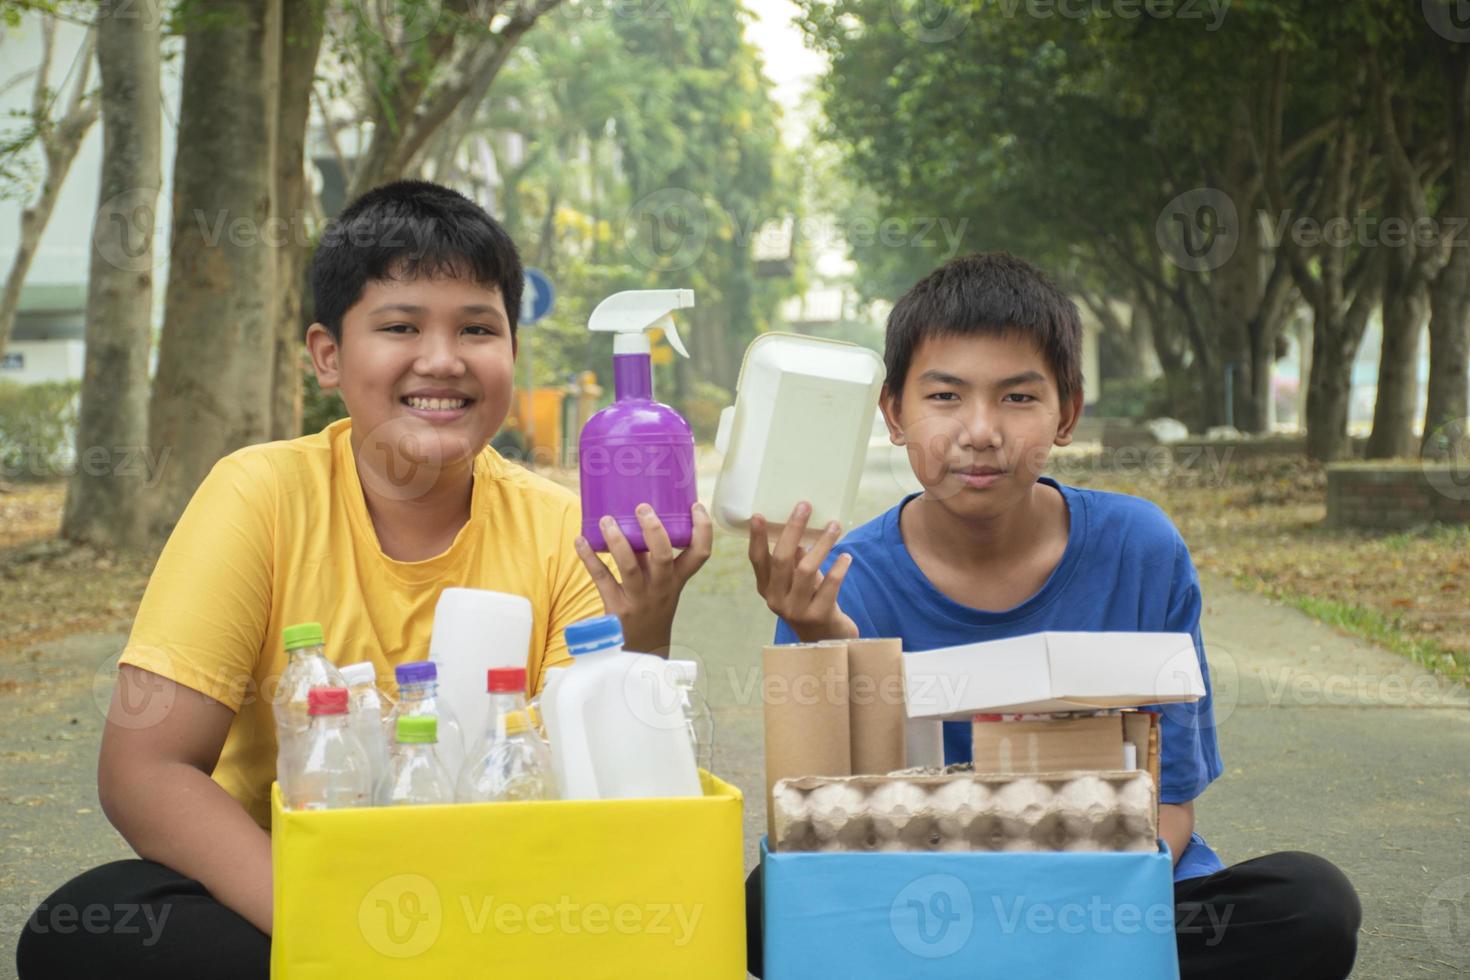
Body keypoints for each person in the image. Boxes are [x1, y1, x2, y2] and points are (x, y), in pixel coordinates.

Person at [15, 180, 711, 979]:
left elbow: (596, 802)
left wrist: (644, 633)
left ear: (512, 353)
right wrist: (347, 940)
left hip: (508, 899)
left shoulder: (568, 530)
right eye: (401, 326)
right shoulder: (260, 495)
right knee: (86, 932)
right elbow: (145, 771)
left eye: (478, 329)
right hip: (289, 892)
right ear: (328, 357)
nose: (443, 359)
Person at [745, 252, 1360, 979]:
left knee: (1310, 903)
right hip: (931, 905)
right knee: (767, 904)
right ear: (894, 415)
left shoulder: (1140, 548)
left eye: (1017, 398)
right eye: (944, 397)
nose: (980, 431)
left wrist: (1063, 922)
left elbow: (1172, 807)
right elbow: (833, 836)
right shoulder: (839, 582)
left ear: (1066, 412)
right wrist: (829, 644)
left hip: (1113, 904)